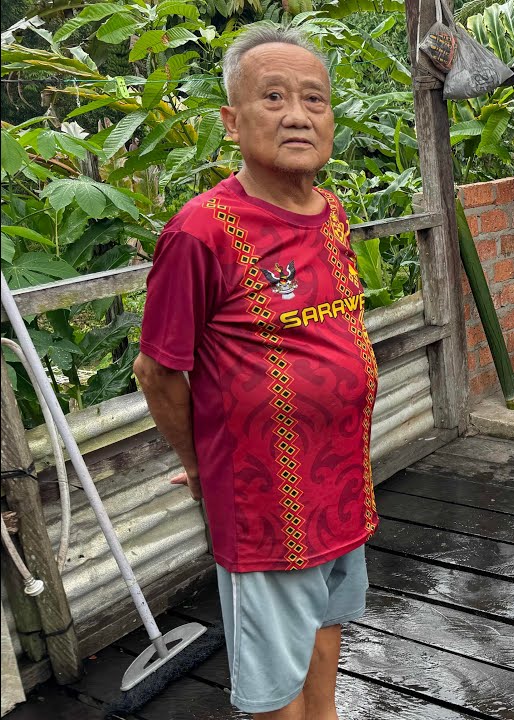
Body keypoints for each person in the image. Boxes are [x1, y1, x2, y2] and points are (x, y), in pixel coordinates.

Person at [133, 25, 377, 719]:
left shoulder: (330, 212)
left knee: (328, 626)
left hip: (342, 483)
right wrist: (202, 465)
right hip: (268, 503)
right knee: (275, 680)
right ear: (232, 122)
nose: (298, 114)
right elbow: (158, 371)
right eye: (273, 97)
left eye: (314, 99)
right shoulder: (200, 231)